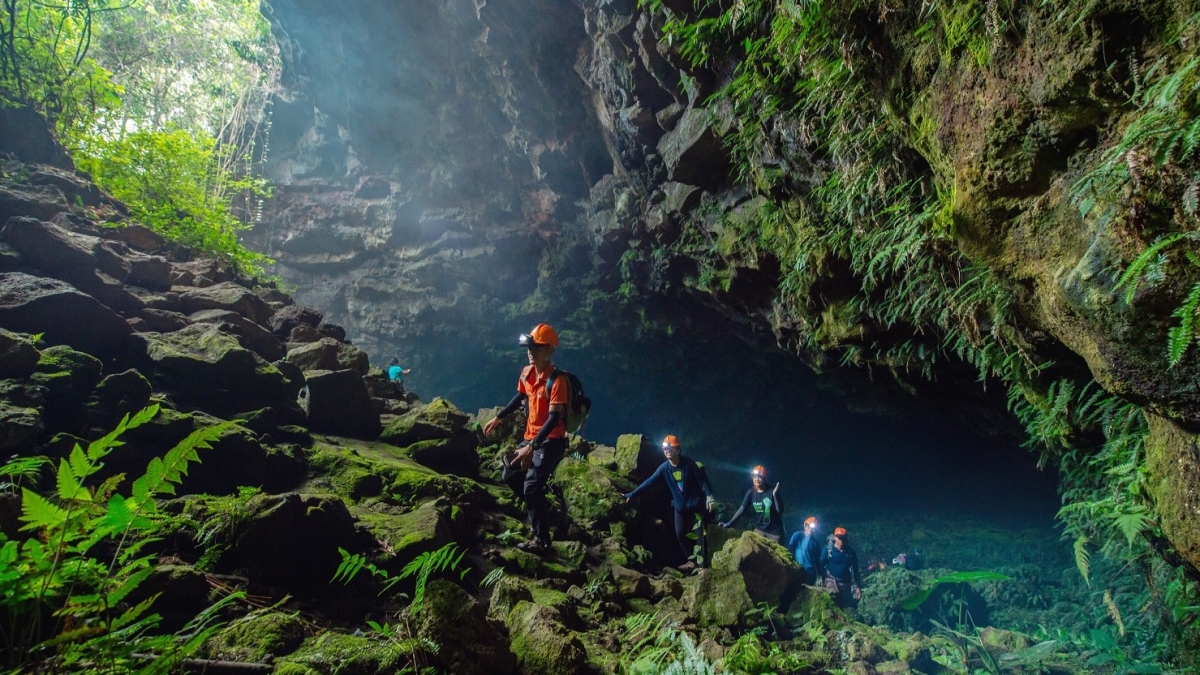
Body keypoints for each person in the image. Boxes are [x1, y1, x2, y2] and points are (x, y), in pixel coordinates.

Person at [482, 323, 569, 554]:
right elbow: (520, 397)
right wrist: (498, 417)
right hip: (531, 437)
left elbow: (552, 419)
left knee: (531, 485)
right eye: (529, 348)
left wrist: (532, 446)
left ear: (549, 350)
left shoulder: (557, 381)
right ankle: (545, 510)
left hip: (551, 440)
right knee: (509, 473)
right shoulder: (526, 373)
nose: (531, 352)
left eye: (537, 348)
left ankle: (542, 541)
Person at [623, 434, 717, 571]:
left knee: (699, 537)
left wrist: (709, 496)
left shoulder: (689, 464)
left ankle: (703, 568)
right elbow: (649, 482)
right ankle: (691, 561)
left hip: (695, 507)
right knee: (680, 534)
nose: (667, 451)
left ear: (677, 449)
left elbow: (702, 480)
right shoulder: (664, 468)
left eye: (670, 448)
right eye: (665, 449)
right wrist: (631, 494)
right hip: (679, 509)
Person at [719, 465, 785, 542]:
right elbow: (742, 509)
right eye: (755, 476)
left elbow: (780, 511)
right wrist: (729, 523)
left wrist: (775, 495)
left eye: (759, 477)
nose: (757, 479)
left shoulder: (772, 491)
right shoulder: (751, 493)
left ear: (764, 478)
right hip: (759, 529)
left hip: (775, 533)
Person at [820, 526, 863, 608]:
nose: (841, 540)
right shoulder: (828, 550)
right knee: (833, 600)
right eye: (839, 538)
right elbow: (821, 564)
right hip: (831, 579)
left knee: (845, 605)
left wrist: (858, 586)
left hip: (845, 582)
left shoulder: (850, 553)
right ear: (835, 538)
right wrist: (822, 579)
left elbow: (855, 570)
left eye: (843, 538)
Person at [788, 516, 822, 585]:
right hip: (797, 569)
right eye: (808, 526)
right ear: (805, 526)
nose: (810, 529)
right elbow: (790, 549)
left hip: (810, 573)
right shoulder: (797, 535)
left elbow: (817, 560)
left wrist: (820, 574)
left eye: (812, 528)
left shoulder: (815, 543)